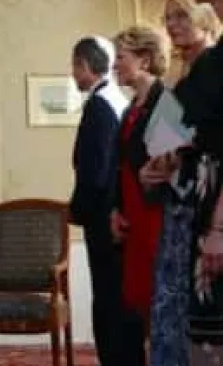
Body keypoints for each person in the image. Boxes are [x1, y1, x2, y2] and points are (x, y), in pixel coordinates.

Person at [141, 0, 223, 362]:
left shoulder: (212, 65)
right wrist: (156, 167)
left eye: (180, 15)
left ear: (204, 16)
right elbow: (164, 144)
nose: (172, 25)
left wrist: (219, 226)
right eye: (167, 18)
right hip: (183, 205)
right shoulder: (183, 75)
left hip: (207, 205)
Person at [110, 25, 170, 365]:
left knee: (159, 298)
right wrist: (116, 210)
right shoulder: (131, 106)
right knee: (140, 300)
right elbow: (122, 165)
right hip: (133, 214)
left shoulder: (167, 100)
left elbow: (172, 163)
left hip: (156, 214)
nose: (115, 65)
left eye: (121, 57)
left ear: (145, 59)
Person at [68, 36, 128, 366]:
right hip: (114, 212)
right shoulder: (115, 99)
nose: (73, 74)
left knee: (108, 298)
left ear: (85, 65)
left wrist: (77, 210)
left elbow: (95, 170)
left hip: (103, 218)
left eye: (74, 66)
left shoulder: (99, 105)